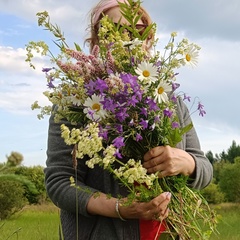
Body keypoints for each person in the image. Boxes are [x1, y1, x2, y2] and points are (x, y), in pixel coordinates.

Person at [44, 0, 213, 239]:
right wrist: (120, 208)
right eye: (116, 30)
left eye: (139, 29)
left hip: (170, 232)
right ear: (98, 39)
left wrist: (187, 163)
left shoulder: (169, 100)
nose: (129, 37)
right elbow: (60, 182)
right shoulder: (75, 102)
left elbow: (205, 168)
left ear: (149, 38)